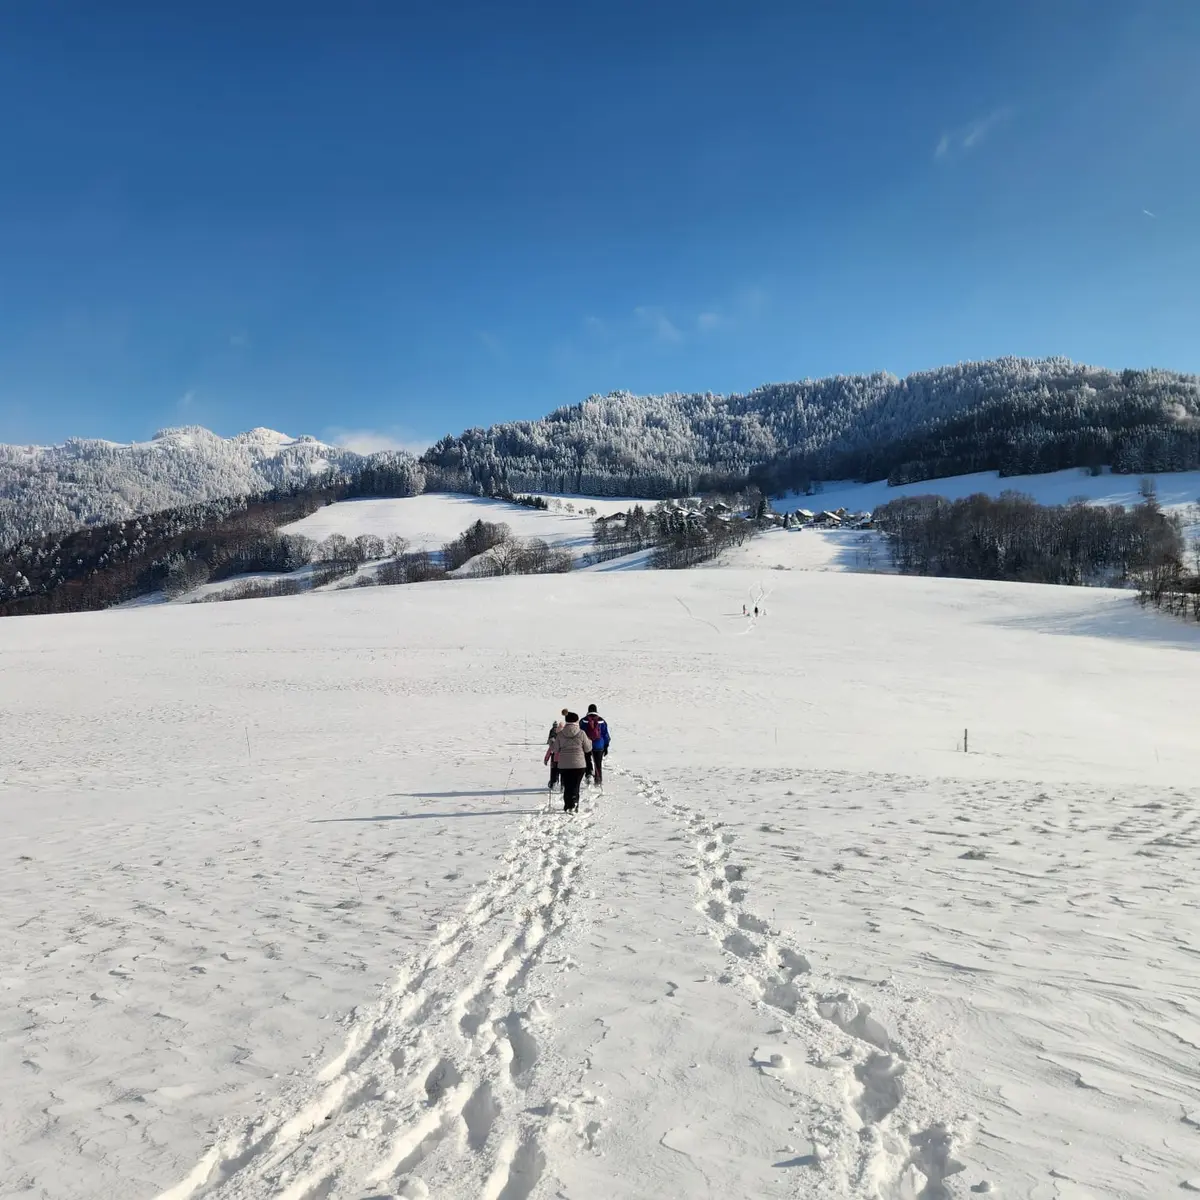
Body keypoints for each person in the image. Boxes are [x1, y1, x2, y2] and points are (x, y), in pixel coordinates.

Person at [552, 712, 591, 813]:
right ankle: (574, 803)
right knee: (575, 785)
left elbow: (555, 749)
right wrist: (589, 742)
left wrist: (552, 743)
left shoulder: (560, 734)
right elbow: (587, 749)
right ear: (576, 721)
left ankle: (568, 805)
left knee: (567, 785)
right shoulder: (582, 733)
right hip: (579, 765)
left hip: (564, 765)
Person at [580, 704, 610, 786]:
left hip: (586, 744)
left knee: (587, 761)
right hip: (599, 745)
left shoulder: (583, 721)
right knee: (598, 763)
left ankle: (588, 774)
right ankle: (598, 780)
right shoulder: (601, 721)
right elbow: (605, 734)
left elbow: (579, 733)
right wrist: (606, 745)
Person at [544, 714, 564, 790]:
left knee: (554, 772)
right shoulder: (565, 740)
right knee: (563, 773)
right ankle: (563, 784)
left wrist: (546, 759)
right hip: (563, 760)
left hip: (554, 760)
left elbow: (550, 750)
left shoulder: (554, 740)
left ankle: (554, 782)